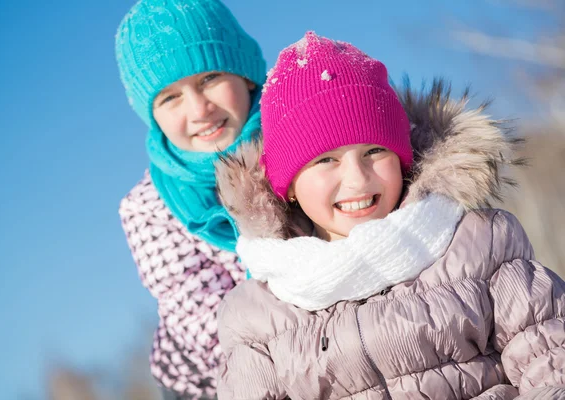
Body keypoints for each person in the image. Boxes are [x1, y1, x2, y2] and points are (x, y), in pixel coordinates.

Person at [215, 31, 565, 399]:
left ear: (402, 158)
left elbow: (552, 364)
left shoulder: (480, 246)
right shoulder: (258, 318)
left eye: (374, 151)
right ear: (286, 185)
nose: (357, 178)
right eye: (325, 160)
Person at [114, 0, 265, 397]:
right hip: (208, 381)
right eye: (170, 98)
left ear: (246, 73)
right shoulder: (149, 209)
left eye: (210, 77)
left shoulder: (307, 130)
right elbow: (217, 330)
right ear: (152, 115)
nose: (199, 109)